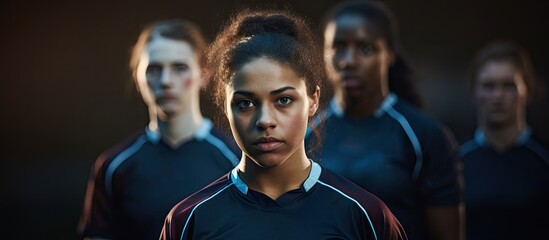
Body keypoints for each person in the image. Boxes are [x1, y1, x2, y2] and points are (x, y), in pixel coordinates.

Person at [160, 10, 407, 240]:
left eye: (283, 100)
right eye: (245, 103)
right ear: (225, 107)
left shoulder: (365, 216)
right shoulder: (189, 220)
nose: (265, 120)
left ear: (313, 100)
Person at [306, 1, 464, 239]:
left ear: (389, 54)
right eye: (338, 47)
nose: (349, 61)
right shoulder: (306, 132)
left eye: (365, 49)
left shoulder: (424, 135)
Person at [78, 19, 240, 240]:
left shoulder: (237, 159)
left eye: (179, 68)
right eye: (154, 69)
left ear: (204, 74)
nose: (165, 80)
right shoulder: (113, 167)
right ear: (137, 77)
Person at [460, 40, 549, 239]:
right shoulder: (455, 160)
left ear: (527, 90)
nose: (497, 96)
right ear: (474, 91)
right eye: (488, 86)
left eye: (508, 86)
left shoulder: (544, 158)